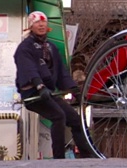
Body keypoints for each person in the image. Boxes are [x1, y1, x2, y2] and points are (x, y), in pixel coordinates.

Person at [13, 11, 95, 159]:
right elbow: (29, 69)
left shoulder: (51, 47)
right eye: (37, 22)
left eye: (44, 22)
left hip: (48, 94)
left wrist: (74, 89)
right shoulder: (25, 47)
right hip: (34, 93)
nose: (41, 25)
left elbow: (61, 72)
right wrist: (39, 86)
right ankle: (59, 159)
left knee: (75, 119)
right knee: (58, 116)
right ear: (31, 26)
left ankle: (87, 155)